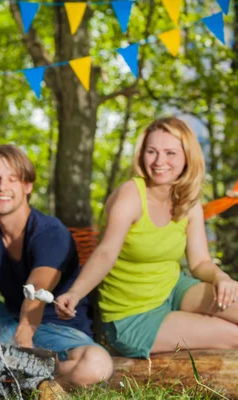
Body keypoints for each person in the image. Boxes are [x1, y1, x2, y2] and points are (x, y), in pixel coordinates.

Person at [56, 116, 238, 359]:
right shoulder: (130, 196)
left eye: (170, 153)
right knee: (233, 335)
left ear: (187, 156)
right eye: (152, 152)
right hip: (132, 314)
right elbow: (106, 253)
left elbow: (199, 263)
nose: (159, 161)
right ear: (142, 155)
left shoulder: (187, 199)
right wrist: (75, 293)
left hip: (173, 289)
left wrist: (221, 277)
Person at [0, 144, 113, 388]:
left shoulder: (51, 232)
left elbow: (38, 288)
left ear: (27, 185)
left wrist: (25, 334)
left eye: (12, 178)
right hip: (7, 324)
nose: (1, 187)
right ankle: (18, 370)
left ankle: (17, 374)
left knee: (97, 365)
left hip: (58, 332)